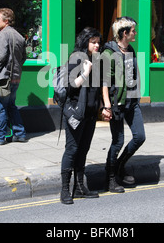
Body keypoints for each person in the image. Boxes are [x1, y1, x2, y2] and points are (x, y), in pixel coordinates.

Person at [101, 16, 146, 193]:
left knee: (139, 136)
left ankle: (119, 165)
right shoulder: (108, 53)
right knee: (117, 141)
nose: (135, 33)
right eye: (133, 30)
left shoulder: (131, 50)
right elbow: (103, 82)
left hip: (132, 102)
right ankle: (110, 177)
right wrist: (107, 106)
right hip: (116, 103)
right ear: (124, 33)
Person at [60, 27, 102, 204]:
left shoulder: (97, 60)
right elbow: (70, 86)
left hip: (90, 113)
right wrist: (85, 72)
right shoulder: (76, 58)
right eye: (93, 42)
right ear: (85, 42)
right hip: (76, 112)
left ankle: (79, 188)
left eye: (98, 42)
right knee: (72, 149)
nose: (97, 45)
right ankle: (64, 190)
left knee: (83, 149)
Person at [0, 8, 27, 145]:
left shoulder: (2, 35)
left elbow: (0, 56)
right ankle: (20, 134)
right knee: (11, 105)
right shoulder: (19, 36)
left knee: (0, 107)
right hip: (15, 77)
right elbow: (24, 57)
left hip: (3, 78)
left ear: (6, 21)